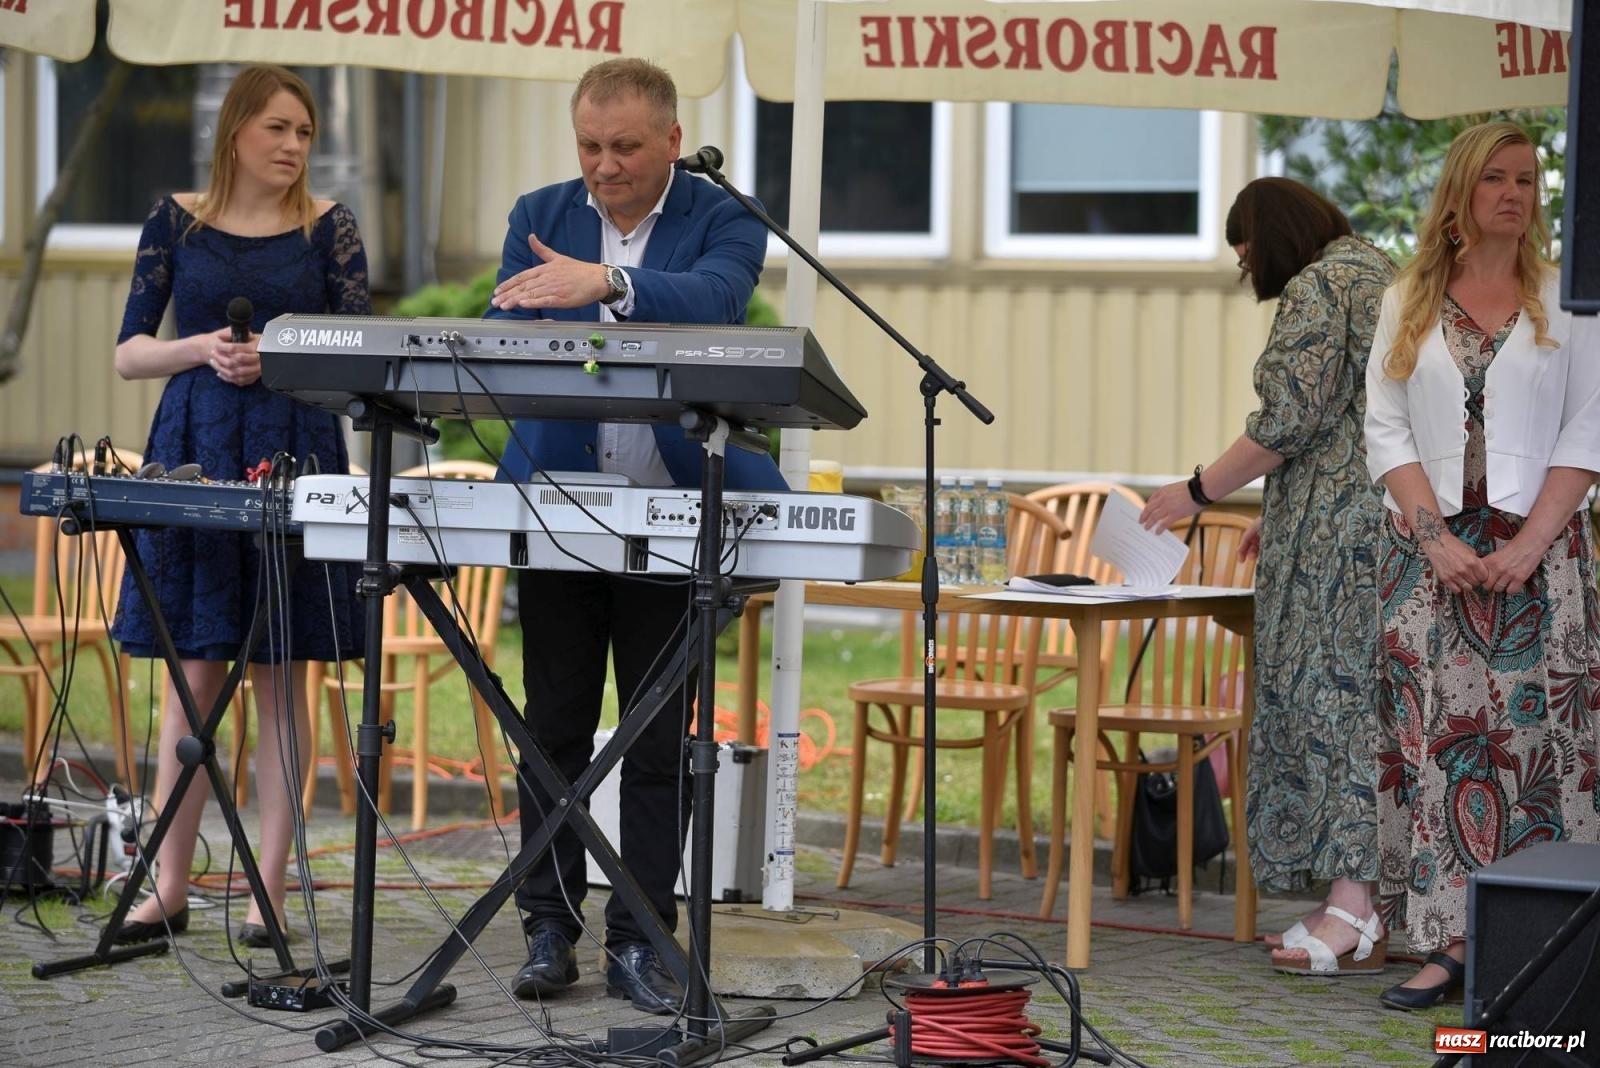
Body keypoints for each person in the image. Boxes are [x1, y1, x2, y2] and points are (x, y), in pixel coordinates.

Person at [483, 57, 784, 1015]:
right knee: (553, 729)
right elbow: (511, 332)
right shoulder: (541, 208)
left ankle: (644, 940)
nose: (601, 166)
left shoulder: (722, 215)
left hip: (671, 525)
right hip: (563, 516)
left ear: (668, 141)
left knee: (656, 745)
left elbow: (718, 301)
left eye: (622, 147)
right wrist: (554, 297)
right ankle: (547, 928)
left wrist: (607, 282)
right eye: (587, 145)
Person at [108, 65, 368, 948]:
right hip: (196, 448)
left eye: (304, 131)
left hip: (297, 453)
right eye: (278, 129)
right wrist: (199, 347)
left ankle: (270, 892)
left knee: (282, 676)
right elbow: (129, 355)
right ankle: (166, 884)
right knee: (193, 677)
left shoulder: (332, 230)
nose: (295, 146)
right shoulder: (174, 221)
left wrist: (285, 360)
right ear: (236, 132)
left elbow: (363, 359)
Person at [1365, 121, 1600, 1010]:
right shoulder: (1408, 299)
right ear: (1460, 193)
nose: (1515, 193)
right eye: (1496, 178)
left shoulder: (1568, 299)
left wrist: (1530, 544)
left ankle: (1547, 943)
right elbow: (1382, 426)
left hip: (1540, 559)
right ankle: (1450, 945)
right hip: (1433, 564)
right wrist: (1437, 538)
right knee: (1443, 754)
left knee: (1544, 752)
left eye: (1528, 179)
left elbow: (1590, 426)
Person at [1141, 178, 1395, 975]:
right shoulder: (1381, 273)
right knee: (1367, 710)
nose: (1246, 263)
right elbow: (1353, 421)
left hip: (1337, 552)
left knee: (1335, 713)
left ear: (1276, 232)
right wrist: (1284, 507)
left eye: (1246, 244)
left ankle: (1356, 907)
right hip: (1380, 516)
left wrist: (1195, 491)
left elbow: (1289, 419)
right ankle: (1360, 900)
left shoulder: (1321, 286)